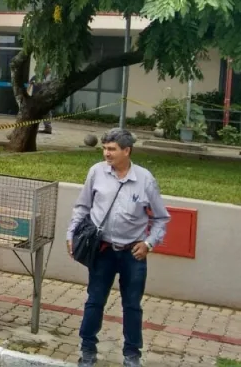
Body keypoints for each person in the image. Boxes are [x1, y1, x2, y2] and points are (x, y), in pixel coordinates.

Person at [66, 128, 171, 367]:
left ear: (127, 150)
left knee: (132, 305)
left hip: (132, 254)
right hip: (101, 250)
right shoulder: (96, 172)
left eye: (112, 149)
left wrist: (148, 244)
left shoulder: (145, 179)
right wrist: (71, 233)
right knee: (94, 300)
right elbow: (82, 207)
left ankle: (132, 355)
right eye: (104, 148)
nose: (106, 153)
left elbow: (161, 218)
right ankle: (88, 350)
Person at [30, 65, 54, 134]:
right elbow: (31, 83)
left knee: (46, 113)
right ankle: (36, 127)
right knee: (38, 112)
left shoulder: (49, 76)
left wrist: (38, 83)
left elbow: (46, 84)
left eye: (49, 68)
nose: (49, 70)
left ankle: (47, 128)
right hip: (37, 97)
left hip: (45, 97)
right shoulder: (37, 76)